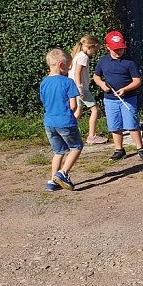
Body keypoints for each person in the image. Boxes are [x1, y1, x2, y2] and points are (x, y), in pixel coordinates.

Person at [93, 31, 143, 162]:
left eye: (121, 48)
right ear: (107, 47)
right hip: (110, 100)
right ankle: (119, 149)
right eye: (116, 49)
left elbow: (137, 81)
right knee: (115, 125)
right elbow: (96, 76)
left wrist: (125, 89)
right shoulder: (103, 62)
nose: (119, 51)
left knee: (132, 123)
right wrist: (102, 84)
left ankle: (140, 149)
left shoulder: (129, 62)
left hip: (128, 98)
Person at [41, 48, 83, 192]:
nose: (69, 68)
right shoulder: (68, 82)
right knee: (76, 147)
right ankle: (63, 173)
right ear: (60, 65)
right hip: (65, 121)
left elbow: (44, 101)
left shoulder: (44, 82)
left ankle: (53, 181)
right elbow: (73, 105)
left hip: (49, 122)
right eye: (68, 65)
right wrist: (74, 113)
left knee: (58, 151)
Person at [68, 35, 107, 144]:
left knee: (78, 111)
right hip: (81, 88)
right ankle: (92, 136)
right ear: (91, 47)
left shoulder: (77, 55)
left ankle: (68, 133)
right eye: (95, 50)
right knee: (95, 110)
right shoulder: (83, 57)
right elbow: (77, 73)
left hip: (74, 88)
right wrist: (80, 87)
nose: (94, 53)